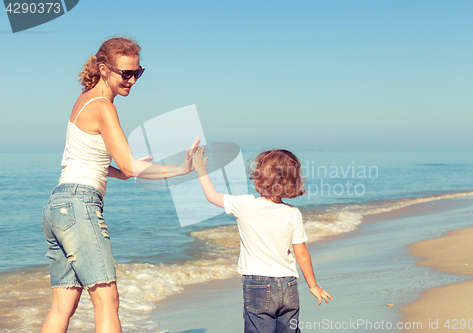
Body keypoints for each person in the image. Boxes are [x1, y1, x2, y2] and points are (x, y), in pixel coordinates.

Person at [41, 37, 200, 333]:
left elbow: (84, 160)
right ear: (103, 69)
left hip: (58, 206)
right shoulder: (103, 106)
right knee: (107, 300)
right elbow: (128, 163)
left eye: (137, 73)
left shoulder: (84, 99)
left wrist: (121, 174)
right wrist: (180, 169)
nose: (132, 80)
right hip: (79, 205)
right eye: (125, 73)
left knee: (63, 306)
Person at [192, 148, 331, 333]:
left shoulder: (244, 205)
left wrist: (201, 170)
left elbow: (211, 196)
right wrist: (313, 286)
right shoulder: (292, 213)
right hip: (289, 285)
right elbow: (301, 253)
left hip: (258, 285)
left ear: (260, 178)